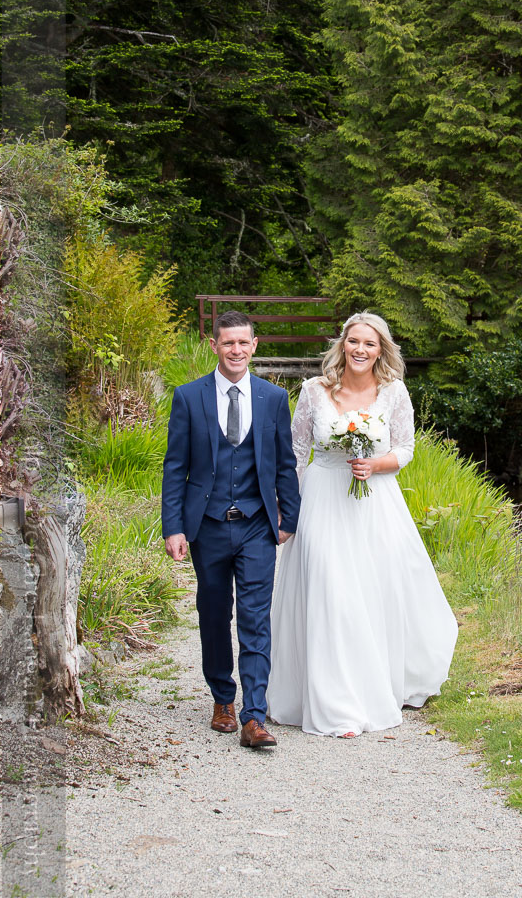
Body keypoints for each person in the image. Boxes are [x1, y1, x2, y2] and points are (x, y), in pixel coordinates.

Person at [266, 311, 458, 737]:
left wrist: (374, 463)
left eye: (369, 344)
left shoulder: (394, 392)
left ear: (380, 350)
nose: (360, 349)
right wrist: (287, 504)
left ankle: (369, 687)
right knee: (328, 590)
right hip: (322, 497)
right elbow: (296, 450)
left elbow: (405, 449)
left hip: (374, 503)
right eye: (353, 341)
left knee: (368, 593)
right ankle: (334, 703)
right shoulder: (314, 391)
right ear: (342, 344)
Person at [162, 310, 300, 749]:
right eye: (228, 343)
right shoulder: (188, 397)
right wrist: (174, 527)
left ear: (254, 346)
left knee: (256, 619)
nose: (236, 350)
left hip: (258, 526)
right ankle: (223, 696)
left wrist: (288, 518)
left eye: (244, 343)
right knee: (215, 614)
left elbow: (284, 463)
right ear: (215, 346)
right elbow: (175, 467)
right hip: (208, 525)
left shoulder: (273, 399)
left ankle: (253, 715)